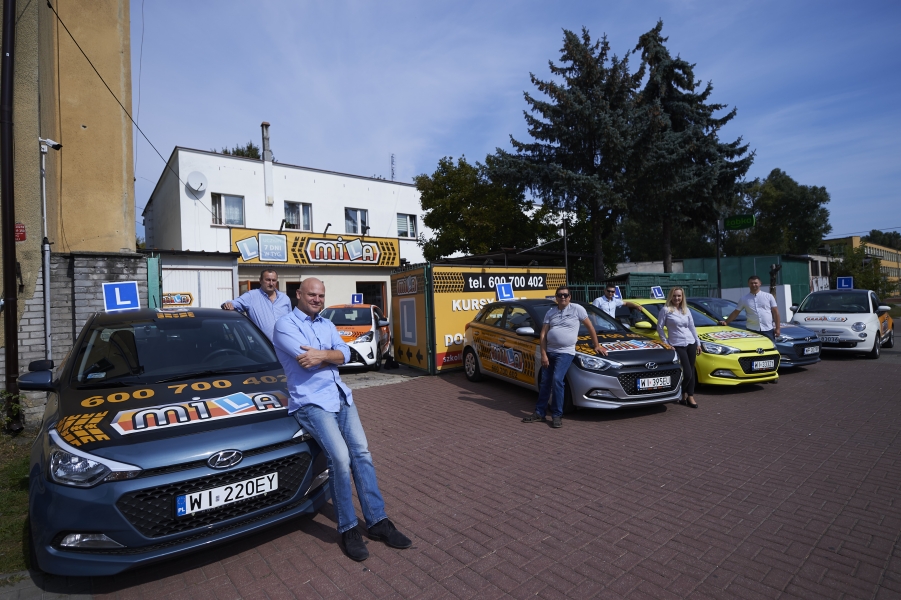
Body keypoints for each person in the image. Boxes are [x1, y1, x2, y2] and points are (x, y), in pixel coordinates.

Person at [272, 278, 411, 562]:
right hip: (311, 403)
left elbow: (346, 353)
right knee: (340, 458)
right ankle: (348, 529)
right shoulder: (285, 325)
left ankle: (377, 521)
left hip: (340, 396)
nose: (317, 299)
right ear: (299, 294)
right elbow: (305, 360)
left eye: (321, 295)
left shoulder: (327, 324)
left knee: (362, 454)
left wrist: (323, 355)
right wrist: (331, 356)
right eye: (312, 294)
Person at [522, 286, 603, 429]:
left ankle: (557, 415)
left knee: (557, 380)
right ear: (556, 297)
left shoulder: (577, 309)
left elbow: (590, 327)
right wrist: (544, 354)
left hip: (566, 352)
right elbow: (543, 334)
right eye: (560, 295)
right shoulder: (551, 312)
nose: (563, 297)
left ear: (570, 297)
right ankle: (540, 413)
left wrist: (596, 345)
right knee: (545, 382)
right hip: (550, 351)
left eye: (565, 295)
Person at [720, 275, 781, 384]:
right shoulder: (744, 299)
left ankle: (772, 374)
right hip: (752, 330)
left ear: (760, 283)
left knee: (770, 352)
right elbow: (736, 312)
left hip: (767, 329)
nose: (754, 285)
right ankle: (758, 374)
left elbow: (775, 312)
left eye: (756, 283)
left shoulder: (768, 296)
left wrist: (778, 328)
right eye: (751, 283)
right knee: (755, 353)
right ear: (748, 284)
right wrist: (726, 322)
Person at [657, 287, 700, 408]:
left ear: (682, 297)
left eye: (679, 296)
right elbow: (659, 328)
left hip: (690, 342)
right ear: (671, 296)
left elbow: (692, 327)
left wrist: (698, 343)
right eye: (674, 296)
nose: (677, 298)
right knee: (687, 373)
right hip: (677, 344)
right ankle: (681, 392)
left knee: (691, 371)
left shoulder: (686, 309)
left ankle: (689, 396)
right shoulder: (665, 310)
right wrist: (666, 343)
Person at [221, 269, 292, 340]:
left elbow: (290, 322)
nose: (271, 283)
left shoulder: (285, 299)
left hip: (285, 343)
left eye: (273, 280)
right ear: (260, 280)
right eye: (268, 280)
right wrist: (228, 304)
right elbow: (234, 303)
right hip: (262, 345)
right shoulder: (251, 296)